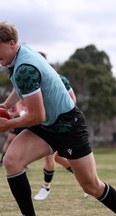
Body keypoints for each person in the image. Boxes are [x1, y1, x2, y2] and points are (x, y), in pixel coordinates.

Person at [0, 22, 116, 216]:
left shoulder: (25, 67)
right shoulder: (18, 54)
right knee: (12, 161)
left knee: (91, 186)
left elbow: (36, 115)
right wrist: (7, 105)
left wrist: (8, 124)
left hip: (68, 126)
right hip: (48, 125)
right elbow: (23, 90)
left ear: (11, 43)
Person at [34, 52, 79, 201]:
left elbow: (72, 99)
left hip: (60, 125)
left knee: (50, 158)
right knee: (59, 158)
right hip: (44, 123)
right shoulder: (33, 80)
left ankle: (46, 187)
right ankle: (83, 178)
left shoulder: (60, 79)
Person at [0, 100, 27, 167]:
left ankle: (23, 161)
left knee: (24, 141)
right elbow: (9, 111)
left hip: (28, 120)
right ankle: (2, 159)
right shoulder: (15, 98)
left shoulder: (33, 96)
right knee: (10, 139)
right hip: (17, 120)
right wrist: (15, 113)